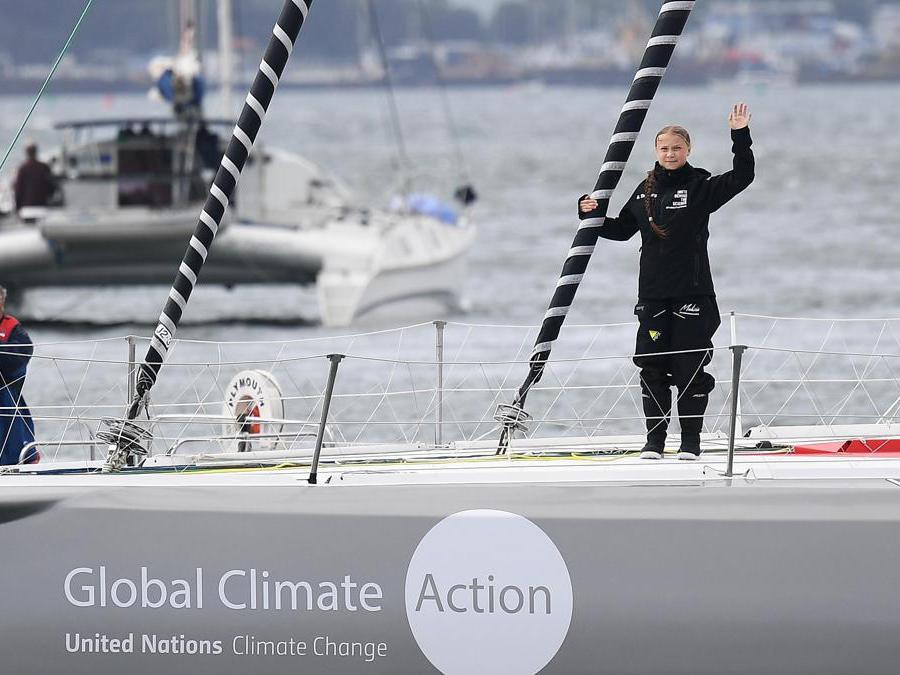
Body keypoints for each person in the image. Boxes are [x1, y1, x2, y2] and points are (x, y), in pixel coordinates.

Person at [579, 103, 755, 460]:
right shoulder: (645, 191)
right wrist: (589, 212)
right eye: (664, 148)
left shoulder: (701, 186)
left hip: (693, 295)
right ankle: (654, 443)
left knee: (689, 368)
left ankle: (690, 443)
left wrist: (740, 136)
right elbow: (620, 230)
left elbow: (743, 177)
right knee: (652, 368)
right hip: (653, 297)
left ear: (688, 150)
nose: (670, 154)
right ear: (656, 152)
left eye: (677, 148)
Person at [0, 285, 37, 465]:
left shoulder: (13, 328)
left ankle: (14, 463)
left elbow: (22, 353)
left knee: (13, 437)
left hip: (6, 393)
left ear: (3, 301)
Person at [13, 142, 56, 213]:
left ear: (26, 153)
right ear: (36, 152)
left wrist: (17, 207)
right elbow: (52, 187)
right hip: (42, 205)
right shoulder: (44, 167)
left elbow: (18, 190)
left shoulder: (23, 169)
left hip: (27, 207)